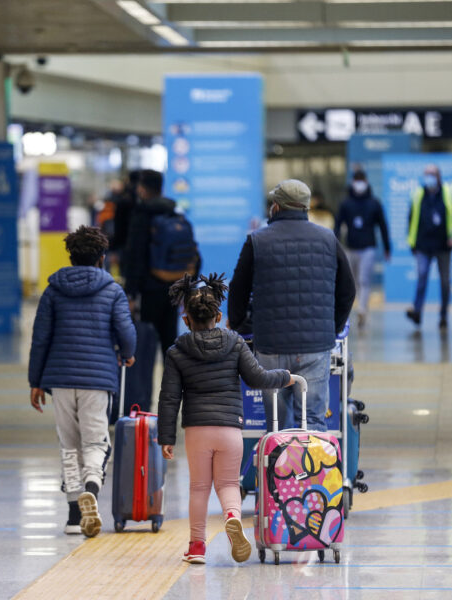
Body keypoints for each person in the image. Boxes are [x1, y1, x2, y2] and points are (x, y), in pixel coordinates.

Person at [158, 273, 291, 565]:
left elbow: (169, 398)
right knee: (229, 484)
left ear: (186, 319)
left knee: (199, 488)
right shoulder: (235, 343)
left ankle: (196, 547)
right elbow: (258, 378)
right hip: (230, 428)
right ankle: (232, 516)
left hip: (197, 430)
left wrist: (166, 437)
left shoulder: (177, 351)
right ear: (219, 316)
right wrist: (286, 377)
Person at [28, 225, 136, 538]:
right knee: (96, 440)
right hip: (97, 378)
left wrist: (36, 381)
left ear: (71, 256)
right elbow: (126, 332)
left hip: (60, 379)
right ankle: (92, 486)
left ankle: (74, 515)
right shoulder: (113, 290)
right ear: (102, 258)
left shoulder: (52, 290)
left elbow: (40, 338)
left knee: (69, 444)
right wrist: (128, 353)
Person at [228, 179, 355, 432]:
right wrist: (332, 328)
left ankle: (279, 471)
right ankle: (313, 470)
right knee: (314, 422)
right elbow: (348, 291)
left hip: (270, 347)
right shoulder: (328, 239)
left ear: (276, 207)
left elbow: (238, 290)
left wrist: (243, 326)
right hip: (315, 346)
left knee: (277, 425)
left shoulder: (257, 240)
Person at [122, 169, 197, 356]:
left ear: (141, 188)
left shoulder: (142, 215)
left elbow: (135, 254)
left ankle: (143, 385)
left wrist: (130, 292)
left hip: (149, 287)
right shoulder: (174, 212)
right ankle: (172, 383)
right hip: (174, 285)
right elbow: (192, 251)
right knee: (169, 339)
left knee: (145, 341)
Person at [334, 169, 391, 328]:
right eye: (356, 179)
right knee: (352, 281)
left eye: (361, 179)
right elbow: (338, 225)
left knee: (364, 280)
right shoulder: (346, 203)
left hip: (368, 248)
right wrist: (334, 245)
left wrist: (387, 247)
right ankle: (351, 310)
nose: (359, 183)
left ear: (366, 181)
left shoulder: (374, 203)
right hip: (350, 247)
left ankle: (362, 310)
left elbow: (382, 225)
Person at [405, 165, 452, 330]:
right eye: (426, 174)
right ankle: (417, 311)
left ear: (439, 176)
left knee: (445, 282)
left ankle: (443, 315)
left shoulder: (449, 193)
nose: (429, 178)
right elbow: (411, 218)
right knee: (422, 277)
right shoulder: (418, 194)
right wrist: (412, 243)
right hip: (423, 245)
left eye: (432, 174)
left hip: (443, 246)